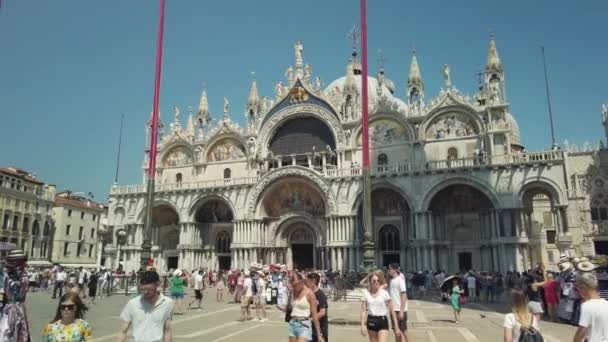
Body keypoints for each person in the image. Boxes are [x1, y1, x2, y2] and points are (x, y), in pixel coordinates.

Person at [115, 270, 174, 342]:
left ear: (157, 284)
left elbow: (167, 331)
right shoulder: (133, 303)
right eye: (143, 289)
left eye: (149, 289)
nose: (146, 292)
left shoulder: (168, 303)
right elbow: (123, 331)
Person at [277, 272, 324, 342]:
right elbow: (291, 309)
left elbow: (314, 316)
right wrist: (283, 309)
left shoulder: (310, 294)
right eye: (293, 286)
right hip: (292, 324)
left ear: (302, 282)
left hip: (304, 325)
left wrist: (319, 335)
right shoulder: (292, 292)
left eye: (296, 285)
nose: (295, 288)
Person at [360, 270, 401, 342]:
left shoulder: (384, 293)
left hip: (382, 320)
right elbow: (363, 310)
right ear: (370, 282)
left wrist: (396, 326)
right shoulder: (366, 293)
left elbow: (392, 310)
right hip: (371, 320)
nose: (376, 282)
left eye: (378, 281)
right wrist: (362, 325)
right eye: (374, 281)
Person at [573, 272, 608, 342]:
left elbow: (581, 332)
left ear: (583, 287)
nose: (578, 292)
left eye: (578, 288)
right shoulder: (606, 303)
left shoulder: (587, 306)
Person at [388, 264, 411, 342]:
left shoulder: (400, 280)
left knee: (404, 330)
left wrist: (401, 310)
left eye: (390, 269)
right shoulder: (391, 281)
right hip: (393, 309)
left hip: (400, 309)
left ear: (395, 270)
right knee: (396, 331)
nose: (389, 271)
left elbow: (404, 295)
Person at [307, 273, 328, 342]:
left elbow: (322, 312)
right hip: (310, 327)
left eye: (308, 281)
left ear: (313, 281)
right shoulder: (308, 294)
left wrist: (311, 319)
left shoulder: (321, 295)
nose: (306, 283)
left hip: (321, 327)